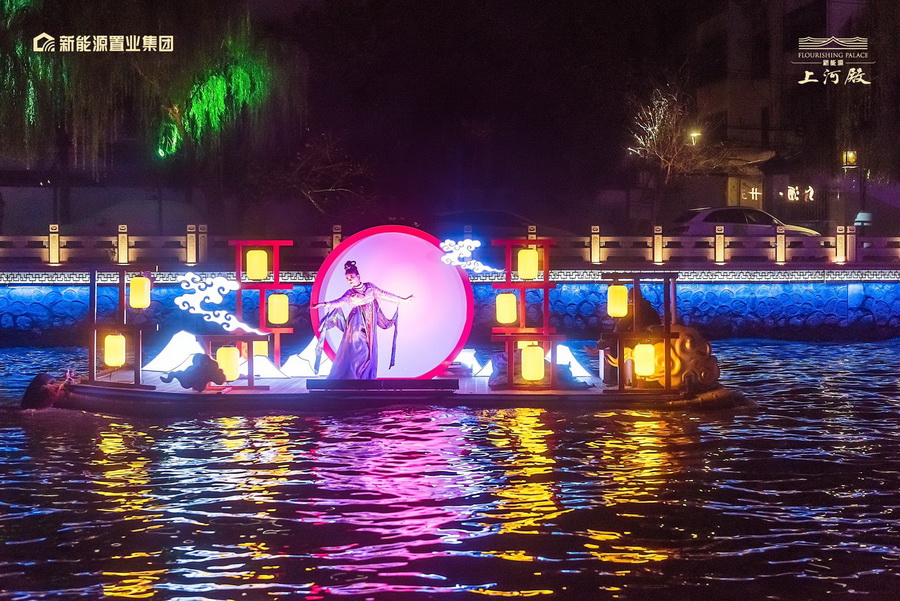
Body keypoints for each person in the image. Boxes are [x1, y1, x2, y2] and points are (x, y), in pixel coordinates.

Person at [311, 260, 413, 379]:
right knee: (361, 350)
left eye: (352, 277)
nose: (350, 280)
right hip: (356, 323)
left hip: (369, 324)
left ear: (358, 276)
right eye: (347, 279)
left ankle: (362, 377)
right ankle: (353, 376)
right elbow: (339, 302)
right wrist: (324, 304)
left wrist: (402, 299)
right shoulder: (350, 293)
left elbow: (385, 294)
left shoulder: (370, 287)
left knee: (369, 352)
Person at [600, 285, 661, 385]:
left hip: (637, 339)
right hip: (644, 337)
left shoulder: (635, 308)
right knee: (614, 342)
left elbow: (622, 325)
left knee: (616, 346)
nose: (629, 298)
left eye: (630, 296)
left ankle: (615, 378)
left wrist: (615, 334)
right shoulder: (649, 308)